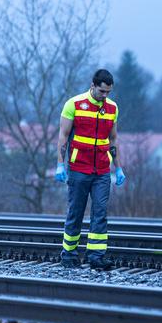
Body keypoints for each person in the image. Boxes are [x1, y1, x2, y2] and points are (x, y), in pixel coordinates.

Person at [55, 69, 126, 270]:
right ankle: (69, 254)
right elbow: (63, 136)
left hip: (102, 170)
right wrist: (60, 164)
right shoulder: (74, 104)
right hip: (79, 169)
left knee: (100, 212)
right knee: (76, 212)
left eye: (108, 92)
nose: (105, 96)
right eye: (102, 91)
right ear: (93, 86)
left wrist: (118, 168)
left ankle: (96, 256)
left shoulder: (112, 108)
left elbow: (113, 139)